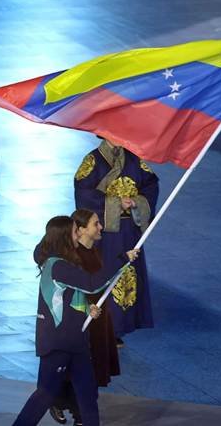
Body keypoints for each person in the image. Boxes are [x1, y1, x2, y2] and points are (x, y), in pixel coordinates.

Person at [13, 215, 138, 426]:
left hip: (75, 341)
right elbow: (91, 284)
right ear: (64, 237)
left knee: (87, 395)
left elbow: (70, 297)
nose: (77, 234)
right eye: (74, 231)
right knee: (45, 394)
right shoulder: (58, 266)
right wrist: (122, 259)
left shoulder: (62, 264)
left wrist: (87, 309)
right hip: (59, 342)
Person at [74, 137, 159, 344]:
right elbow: (83, 193)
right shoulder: (92, 161)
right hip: (103, 233)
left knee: (127, 277)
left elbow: (151, 184)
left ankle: (120, 327)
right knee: (105, 273)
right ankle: (102, 325)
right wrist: (115, 203)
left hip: (129, 231)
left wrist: (136, 202)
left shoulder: (134, 159)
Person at [49, 209, 121, 425]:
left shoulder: (93, 251)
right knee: (80, 371)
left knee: (90, 368)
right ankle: (74, 410)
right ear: (80, 230)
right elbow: (85, 285)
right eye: (95, 224)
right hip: (83, 318)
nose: (100, 227)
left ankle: (72, 409)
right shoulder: (72, 258)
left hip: (98, 316)